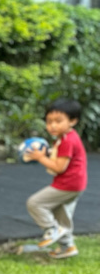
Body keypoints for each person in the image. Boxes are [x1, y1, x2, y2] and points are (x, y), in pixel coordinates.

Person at [25, 98, 88, 260]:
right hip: (75, 183)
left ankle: (51, 229)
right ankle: (67, 247)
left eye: (58, 121)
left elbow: (59, 167)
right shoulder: (65, 137)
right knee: (61, 214)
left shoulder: (68, 140)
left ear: (72, 121)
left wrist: (40, 157)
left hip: (68, 184)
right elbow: (58, 157)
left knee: (35, 203)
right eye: (49, 121)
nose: (52, 125)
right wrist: (45, 154)